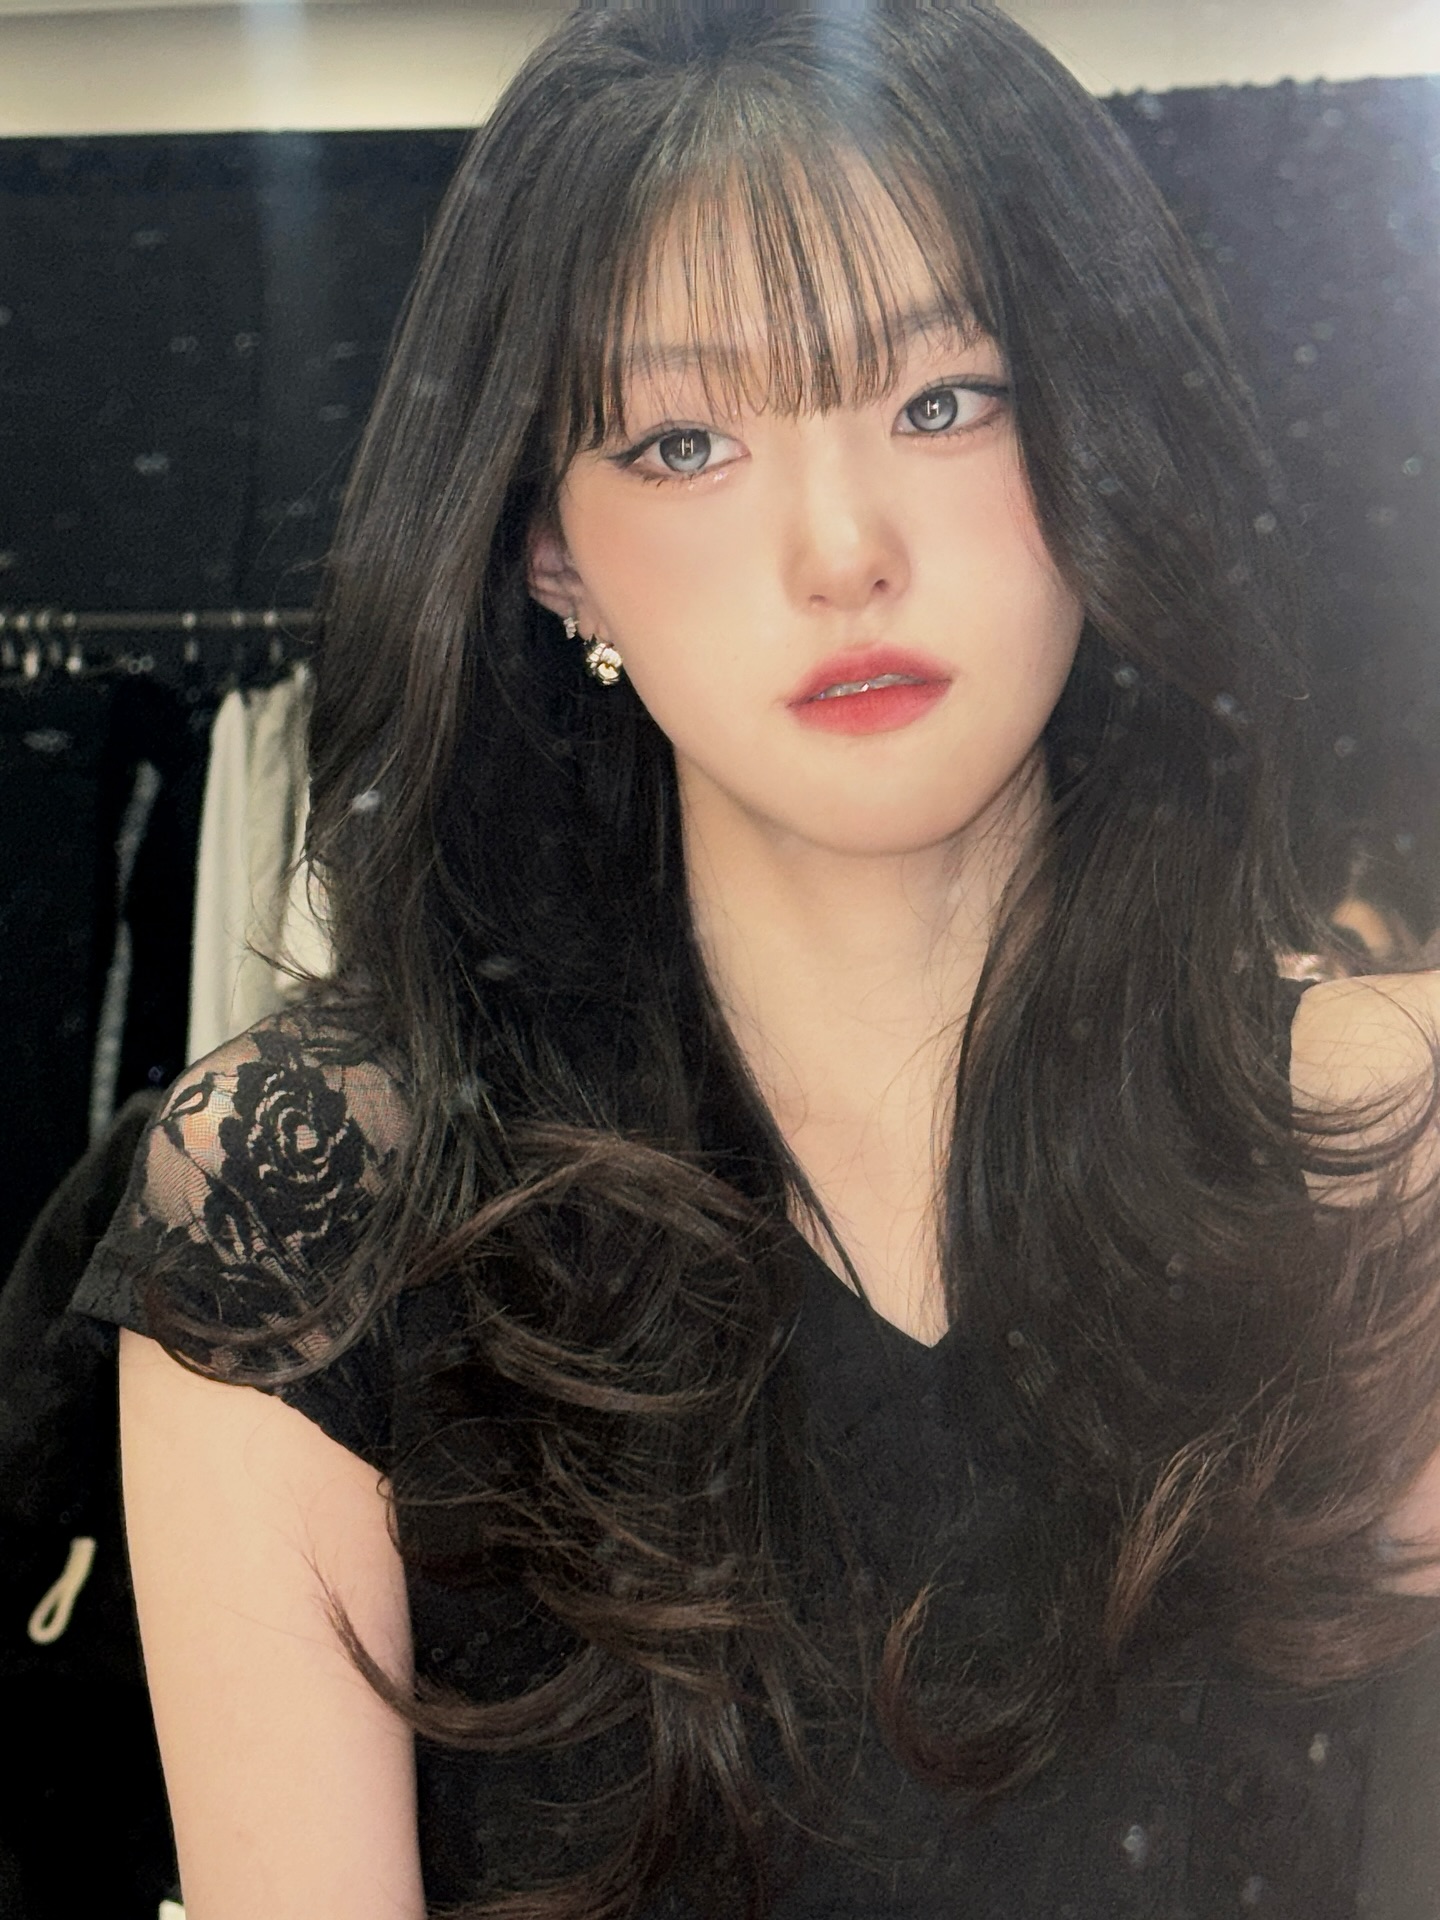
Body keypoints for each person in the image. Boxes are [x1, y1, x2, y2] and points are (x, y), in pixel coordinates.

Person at [70, 3, 1440, 1915]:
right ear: (550, 550)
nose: (842, 547)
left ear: (1100, 427)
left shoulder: (1378, 1150)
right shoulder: (310, 1216)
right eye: (686, 440)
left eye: (944, 399)